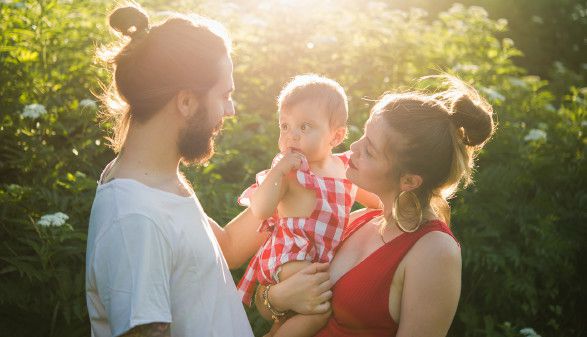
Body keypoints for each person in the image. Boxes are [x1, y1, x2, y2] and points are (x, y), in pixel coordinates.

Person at [84, 6, 328, 337]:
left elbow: (224, 250)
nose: (231, 110)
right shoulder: (136, 218)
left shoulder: (159, 182)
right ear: (186, 102)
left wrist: (287, 184)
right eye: (225, 95)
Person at [261, 76, 495, 336]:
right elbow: (265, 297)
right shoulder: (359, 220)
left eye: (370, 150)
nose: (353, 147)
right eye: (363, 135)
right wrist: (278, 297)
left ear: (409, 180)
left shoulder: (435, 250)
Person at [236, 75, 381, 337]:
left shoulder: (345, 169)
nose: (291, 136)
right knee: (320, 303)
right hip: (290, 254)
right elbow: (261, 210)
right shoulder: (290, 171)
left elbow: (379, 204)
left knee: (308, 306)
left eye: (304, 127)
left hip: (322, 258)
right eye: (284, 126)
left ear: (335, 136)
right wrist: (278, 172)